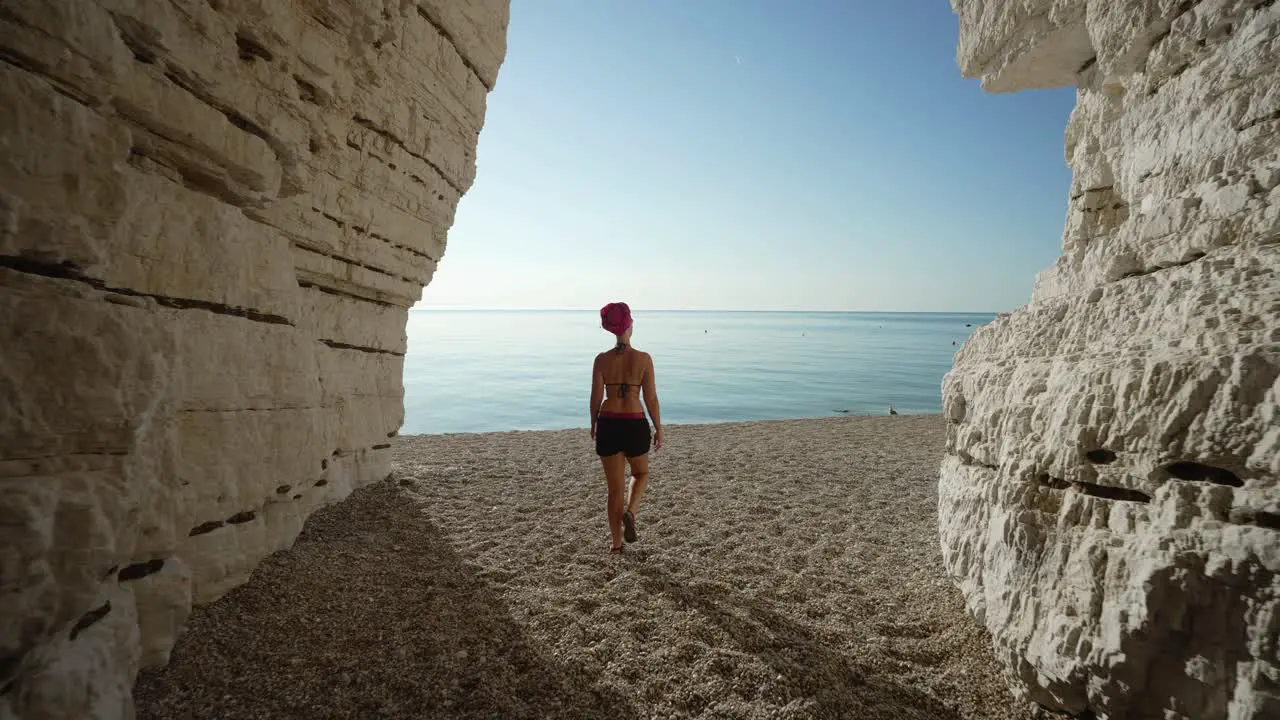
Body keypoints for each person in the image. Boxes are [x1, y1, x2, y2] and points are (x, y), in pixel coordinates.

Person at [590, 301, 662, 554]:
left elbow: (596, 397)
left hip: (608, 424)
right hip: (634, 424)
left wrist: (593, 424)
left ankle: (616, 544)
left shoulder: (601, 360)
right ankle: (631, 512)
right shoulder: (643, 359)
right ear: (630, 325)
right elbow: (651, 398)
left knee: (614, 488)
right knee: (640, 473)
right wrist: (658, 427)